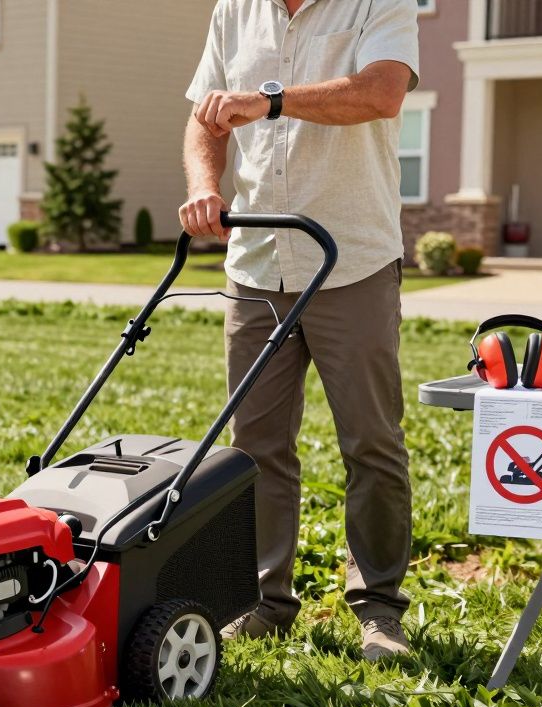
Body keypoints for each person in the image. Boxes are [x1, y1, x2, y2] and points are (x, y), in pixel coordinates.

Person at [179, 0, 419, 662]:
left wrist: (269, 101)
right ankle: (263, 602)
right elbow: (205, 120)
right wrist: (205, 185)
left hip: (353, 260)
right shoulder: (235, 11)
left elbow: (383, 92)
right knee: (254, 448)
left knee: (371, 441)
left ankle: (379, 610)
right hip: (258, 264)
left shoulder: (380, 4)